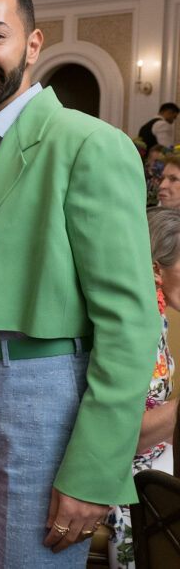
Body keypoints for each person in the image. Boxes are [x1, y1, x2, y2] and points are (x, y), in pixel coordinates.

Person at [0, 0, 161, 568]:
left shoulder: (88, 143)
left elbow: (131, 324)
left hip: (45, 393)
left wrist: (93, 470)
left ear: (31, 46)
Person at [105, 206, 177, 569]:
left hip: (158, 462)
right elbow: (122, 438)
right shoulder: (131, 327)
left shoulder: (158, 318)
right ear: (154, 270)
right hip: (125, 478)